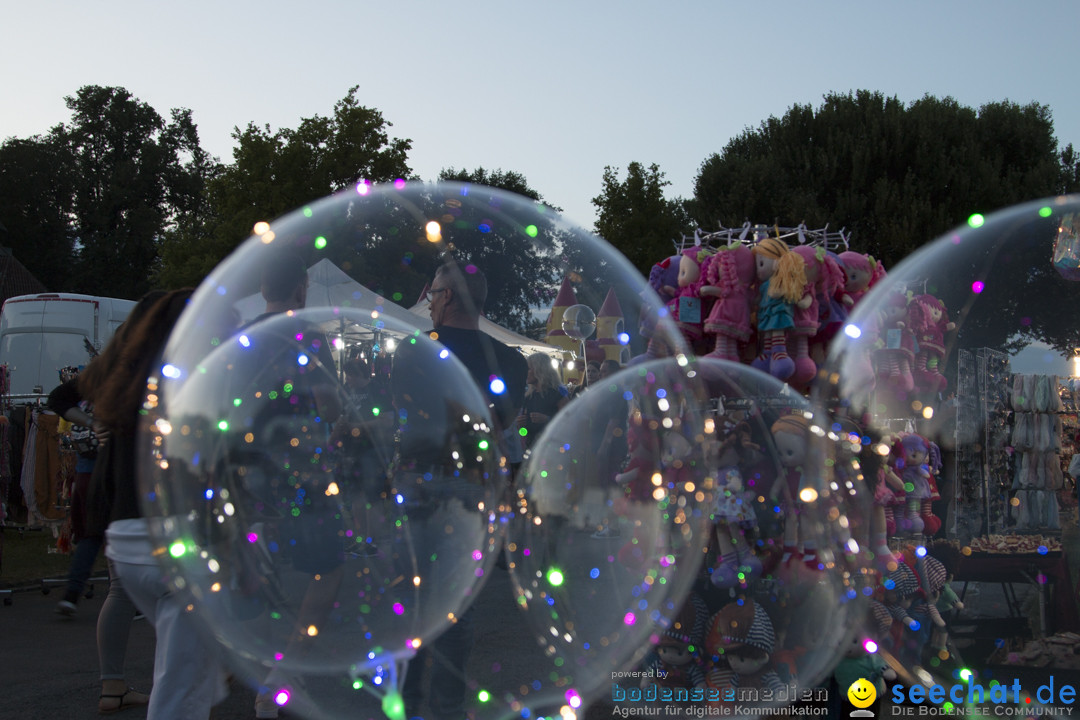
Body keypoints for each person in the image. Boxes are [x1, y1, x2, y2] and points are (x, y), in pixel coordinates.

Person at [82, 289, 228, 719]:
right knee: (179, 691)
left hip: (127, 540)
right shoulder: (188, 384)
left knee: (184, 668)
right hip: (174, 545)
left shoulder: (130, 383)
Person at [400, 261, 527, 720]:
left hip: (416, 483)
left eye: (432, 291)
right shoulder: (510, 361)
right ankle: (448, 707)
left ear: (448, 296)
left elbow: (403, 415)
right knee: (455, 607)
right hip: (473, 489)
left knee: (411, 601)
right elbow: (501, 426)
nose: (429, 299)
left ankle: (408, 703)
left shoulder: (413, 351)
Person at [236, 249, 344, 719]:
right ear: (301, 288)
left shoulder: (242, 336)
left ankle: (250, 665)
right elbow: (328, 403)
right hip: (298, 470)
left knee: (255, 565)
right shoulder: (310, 336)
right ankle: (283, 672)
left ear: (263, 289)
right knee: (328, 568)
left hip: (247, 468)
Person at [516, 353, 569, 448]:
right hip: (532, 448)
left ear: (539, 370)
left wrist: (547, 419)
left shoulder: (558, 395)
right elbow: (523, 432)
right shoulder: (528, 397)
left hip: (553, 449)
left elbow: (569, 423)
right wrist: (520, 425)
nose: (525, 372)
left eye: (529, 369)